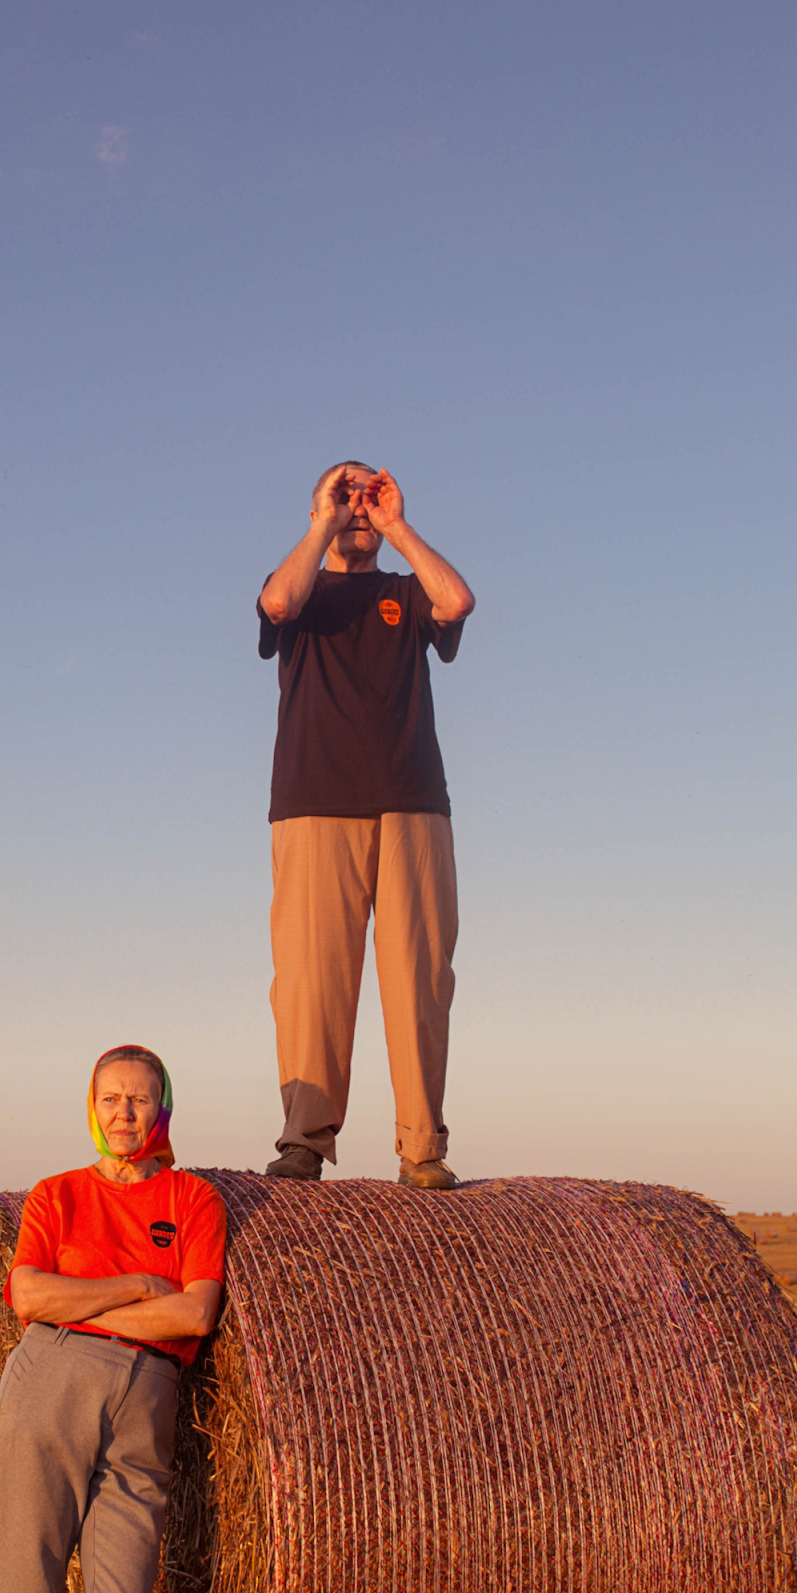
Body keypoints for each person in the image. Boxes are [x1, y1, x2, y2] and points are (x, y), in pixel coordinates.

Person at [0, 1045, 225, 1593]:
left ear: (164, 1112)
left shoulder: (194, 1200)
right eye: (112, 1099)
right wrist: (130, 1288)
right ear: (92, 1107)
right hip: (48, 1386)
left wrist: (79, 1308)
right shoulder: (56, 1195)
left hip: (146, 1407)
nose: (126, 1112)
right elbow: (26, 1293)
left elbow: (193, 1316)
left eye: (141, 1100)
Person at [256, 460, 475, 1189]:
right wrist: (323, 520)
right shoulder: (304, 589)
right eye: (342, 493)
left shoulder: (405, 594)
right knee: (311, 981)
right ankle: (304, 1140)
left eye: (366, 494)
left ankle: (423, 1148)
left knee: (420, 977)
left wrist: (396, 525)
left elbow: (459, 599)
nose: (356, 506)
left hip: (413, 802)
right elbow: (278, 603)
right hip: (314, 801)